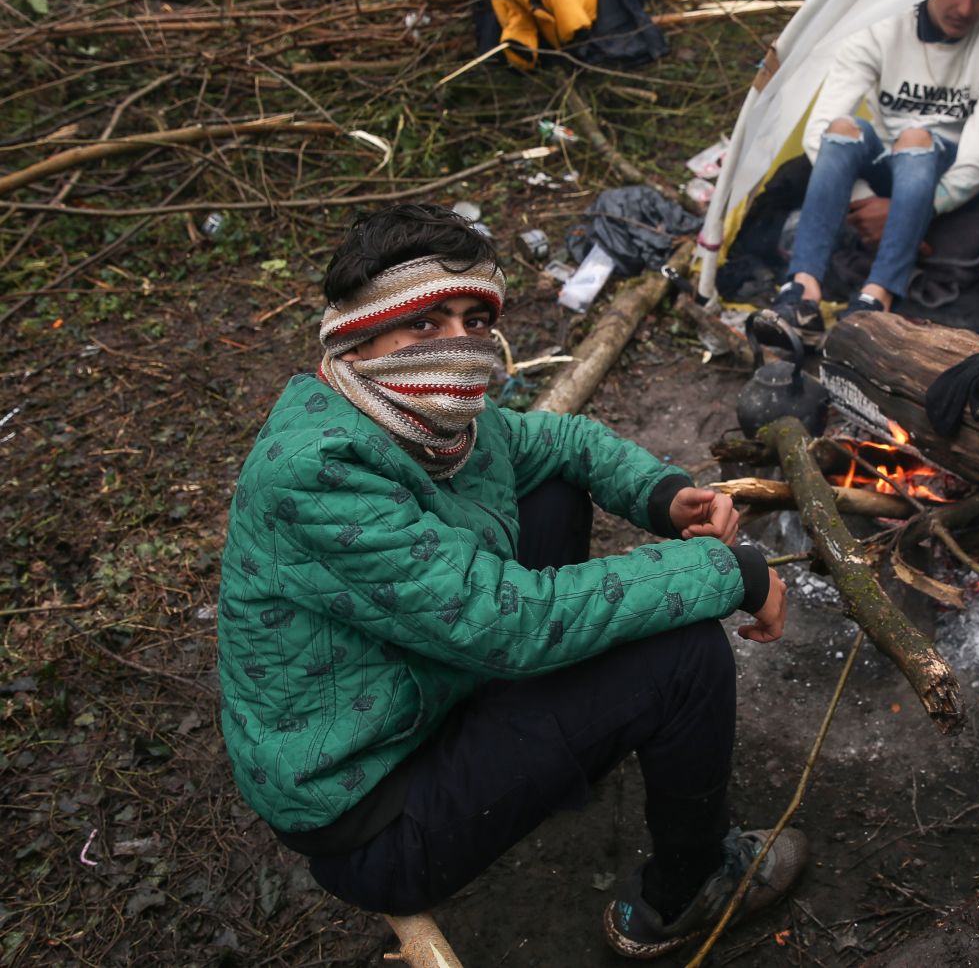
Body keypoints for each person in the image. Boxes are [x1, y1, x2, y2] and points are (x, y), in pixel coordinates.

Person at [216, 204, 804, 960]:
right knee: (682, 657)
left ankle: (551, 757)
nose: (457, 344)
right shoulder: (322, 470)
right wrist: (729, 570)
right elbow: (509, 621)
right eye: (424, 323)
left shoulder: (427, 421)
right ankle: (688, 890)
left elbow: (558, 439)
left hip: (419, 703)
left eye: (471, 319)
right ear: (358, 337)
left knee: (548, 490)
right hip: (372, 811)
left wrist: (659, 493)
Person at [770, 0, 979, 329]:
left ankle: (877, 295)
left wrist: (915, 209)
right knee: (844, 130)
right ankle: (802, 290)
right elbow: (819, 130)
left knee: (915, 138)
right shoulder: (880, 29)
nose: (967, 8)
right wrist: (863, 204)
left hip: (952, 177)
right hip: (890, 169)